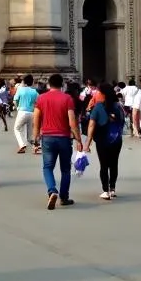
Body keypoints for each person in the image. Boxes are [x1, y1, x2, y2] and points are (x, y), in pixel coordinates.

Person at [33, 74, 83, 209]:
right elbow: (72, 122)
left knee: (47, 167)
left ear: (49, 84)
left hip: (47, 138)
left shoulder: (41, 98)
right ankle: (64, 197)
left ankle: (52, 190)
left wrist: (35, 137)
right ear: (62, 85)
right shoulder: (67, 99)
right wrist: (78, 139)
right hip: (64, 138)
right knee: (65, 169)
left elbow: (36, 119)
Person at [85, 82, 126, 200]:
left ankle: (105, 190)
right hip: (116, 140)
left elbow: (91, 126)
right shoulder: (118, 106)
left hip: (102, 140)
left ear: (102, 94)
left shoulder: (98, 107)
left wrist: (87, 143)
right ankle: (112, 189)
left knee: (104, 165)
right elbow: (123, 122)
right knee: (114, 164)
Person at [12, 75, 38, 153]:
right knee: (31, 132)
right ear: (32, 82)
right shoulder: (34, 91)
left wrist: (17, 107)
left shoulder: (20, 90)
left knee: (17, 128)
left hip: (22, 112)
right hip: (32, 112)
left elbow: (15, 100)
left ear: (24, 82)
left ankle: (22, 144)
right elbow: (38, 102)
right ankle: (35, 146)